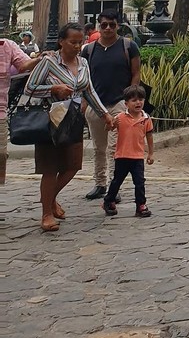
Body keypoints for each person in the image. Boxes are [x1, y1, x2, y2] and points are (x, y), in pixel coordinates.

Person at [22, 22, 116, 232]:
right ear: (61, 42)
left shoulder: (83, 62)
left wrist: (105, 114)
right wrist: (53, 88)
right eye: (72, 42)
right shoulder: (48, 61)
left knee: (73, 165)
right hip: (51, 119)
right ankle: (46, 213)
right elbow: (30, 88)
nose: (76, 46)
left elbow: (89, 92)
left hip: (73, 118)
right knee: (50, 168)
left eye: (79, 42)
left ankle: (50, 199)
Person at [81, 13, 141, 201]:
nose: (108, 28)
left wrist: (131, 100)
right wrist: (84, 102)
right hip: (96, 103)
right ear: (99, 26)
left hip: (119, 103)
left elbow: (136, 73)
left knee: (114, 147)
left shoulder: (128, 46)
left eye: (112, 25)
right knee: (99, 147)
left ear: (118, 26)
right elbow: (83, 78)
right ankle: (100, 183)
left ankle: (114, 188)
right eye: (104, 25)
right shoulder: (89, 50)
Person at [102, 85, 154, 218]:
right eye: (134, 100)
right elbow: (109, 128)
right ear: (126, 104)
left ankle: (141, 205)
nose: (138, 103)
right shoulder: (120, 117)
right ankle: (109, 201)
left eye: (141, 99)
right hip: (122, 156)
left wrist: (151, 153)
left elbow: (149, 136)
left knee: (140, 182)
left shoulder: (146, 119)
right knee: (117, 181)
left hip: (137, 157)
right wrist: (109, 123)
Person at [0, 36, 42, 187]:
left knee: (1, 154)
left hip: (1, 113)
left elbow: (24, 65)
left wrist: (40, 59)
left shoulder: (7, 46)